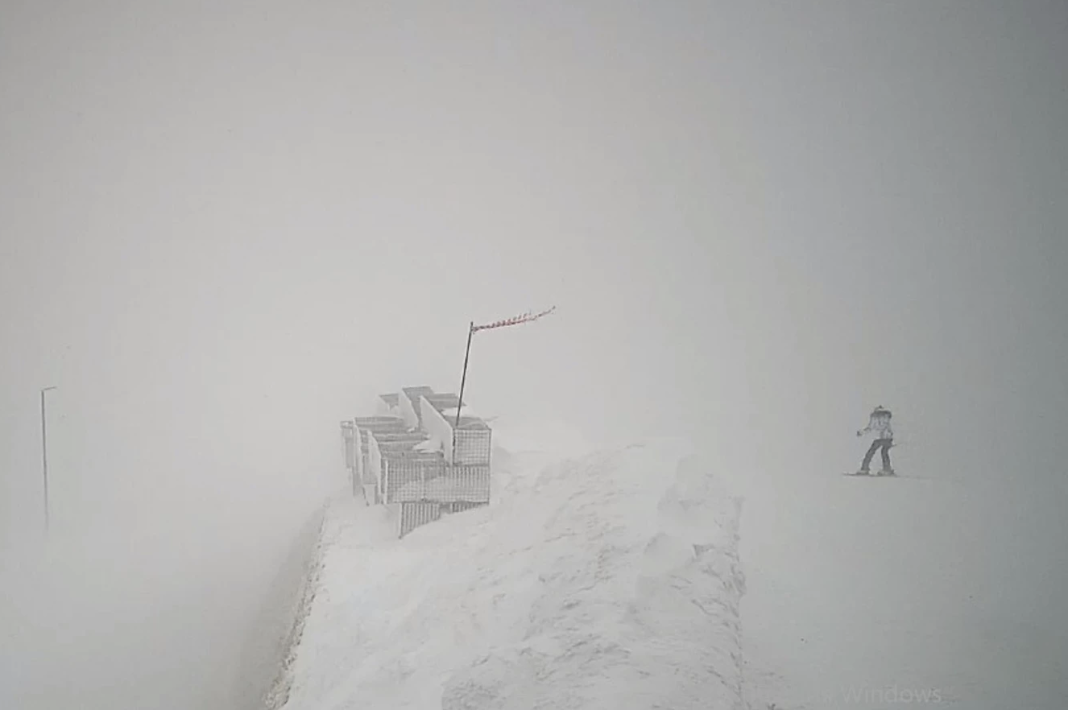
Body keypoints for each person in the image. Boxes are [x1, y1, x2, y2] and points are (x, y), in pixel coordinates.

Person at [856, 406, 894, 475]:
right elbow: (870, 427)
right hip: (881, 438)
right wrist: (862, 432)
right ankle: (865, 468)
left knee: (882, 452)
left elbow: (882, 426)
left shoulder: (884, 418)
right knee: (874, 451)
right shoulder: (875, 418)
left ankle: (886, 469)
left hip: (886, 437)